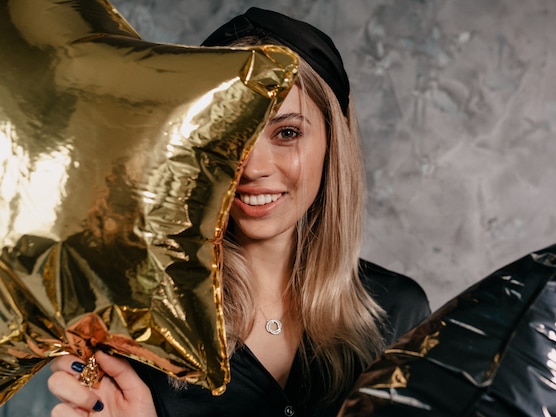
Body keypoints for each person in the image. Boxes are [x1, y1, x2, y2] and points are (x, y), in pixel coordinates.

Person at [47, 7, 430, 417]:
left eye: (287, 133)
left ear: (332, 145)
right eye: (232, 130)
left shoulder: (400, 315)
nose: (252, 167)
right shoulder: (137, 323)